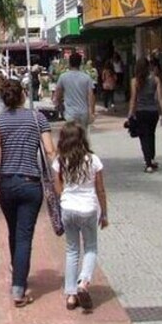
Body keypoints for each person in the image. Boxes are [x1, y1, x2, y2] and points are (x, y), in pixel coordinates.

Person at [0, 79, 56, 307]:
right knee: (24, 235)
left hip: (7, 182)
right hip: (31, 182)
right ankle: (18, 289)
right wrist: (59, 178)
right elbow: (50, 150)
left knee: (14, 231)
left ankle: (17, 270)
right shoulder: (38, 118)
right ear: (23, 95)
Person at [52, 122, 109, 312]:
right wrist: (105, 213)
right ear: (82, 138)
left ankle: (70, 295)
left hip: (68, 208)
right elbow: (100, 189)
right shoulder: (93, 160)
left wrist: (65, 200)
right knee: (91, 247)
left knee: (71, 250)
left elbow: (57, 187)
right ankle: (83, 282)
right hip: (88, 209)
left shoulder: (60, 160)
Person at [128, 57, 162, 173]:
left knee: (143, 137)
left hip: (141, 112)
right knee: (151, 135)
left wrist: (130, 114)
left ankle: (148, 163)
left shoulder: (135, 81)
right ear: (148, 66)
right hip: (153, 112)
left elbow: (133, 99)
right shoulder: (155, 80)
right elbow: (160, 99)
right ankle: (151, 158)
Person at [54, 53, 95, 128]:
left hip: (70, 113)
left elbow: (57, 95)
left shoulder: (63, 77)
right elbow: (91, 96)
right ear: (80, 63)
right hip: (83, 112)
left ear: (69, 63)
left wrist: (58, 105)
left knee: (71, 136)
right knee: (83, 136)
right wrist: (92, 112)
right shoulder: (86, 77)